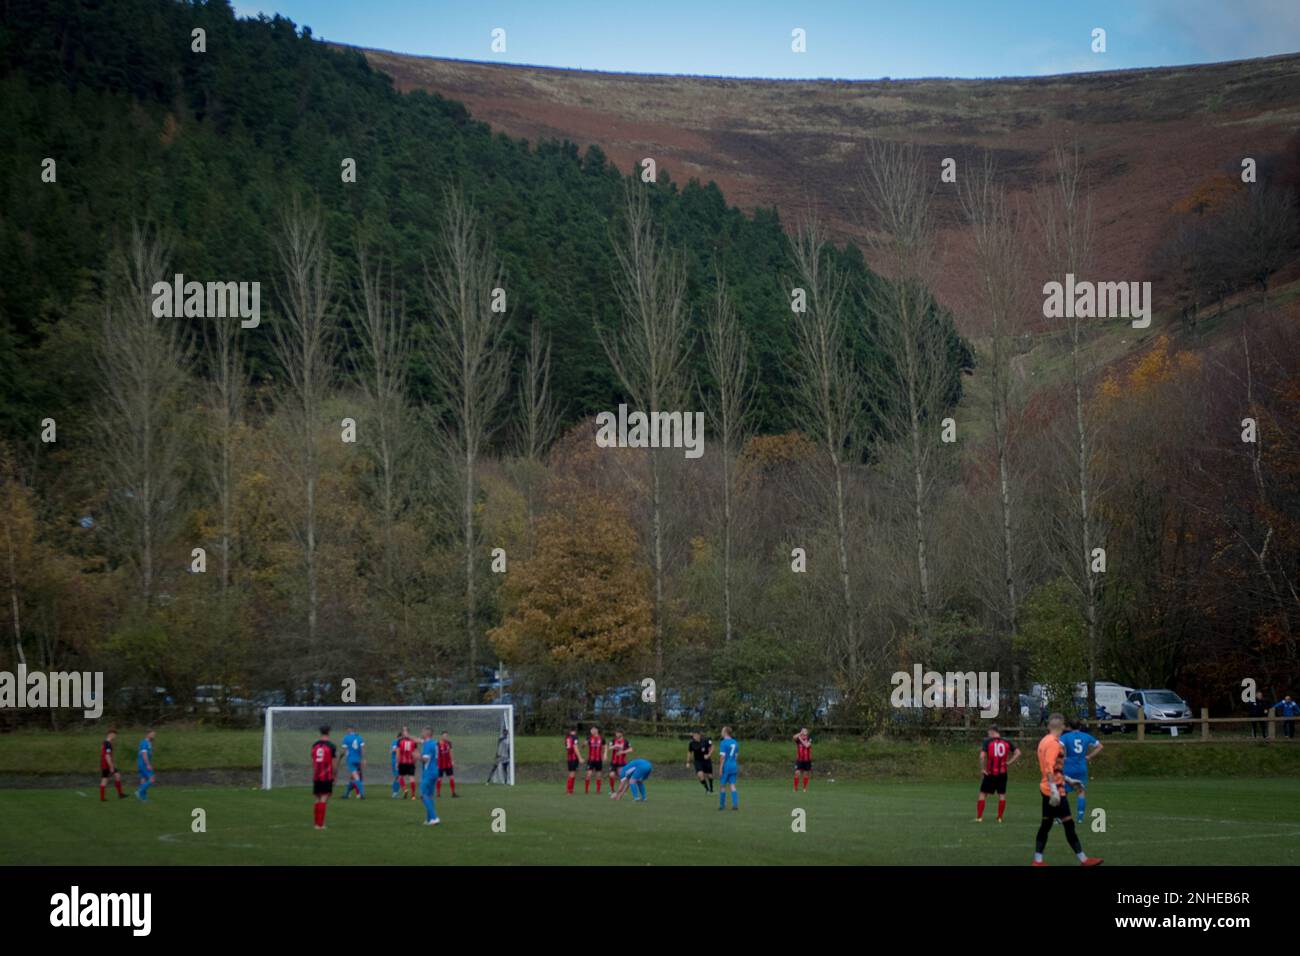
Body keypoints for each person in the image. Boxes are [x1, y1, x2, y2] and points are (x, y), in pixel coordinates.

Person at [1032, 714, 1102, 867]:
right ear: (1063, 727)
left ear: (1049, 726)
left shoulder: (1045, 740)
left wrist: (1069, 780)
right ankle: (1084, 860)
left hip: (1048, 788)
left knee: (1047, 825)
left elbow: (1053, 769)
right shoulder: (1054, 744)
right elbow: (1050, 768)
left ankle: (1038, 861)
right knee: (1068, 824)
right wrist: (1054, 790)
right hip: (1054, 791)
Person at [1060, 719, 1103, 824]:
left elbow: (1058, 747)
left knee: (1063, 792)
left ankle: (1061, 817)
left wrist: (1063, 757)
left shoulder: (1065, 737)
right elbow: (1100, 746)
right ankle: (1079, 817)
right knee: (1081, 791)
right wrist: (1089, 756)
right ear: (1080, 727)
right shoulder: (1086, 736)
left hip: (1068, 766)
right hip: (1081, 766)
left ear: (1069, 727)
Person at [975, 724, 1020, 823]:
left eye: (988, 733)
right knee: (1002, 795)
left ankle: (979, 817)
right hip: (1002, 773)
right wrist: (1009, 762)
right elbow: (1018, 752)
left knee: (982, 794)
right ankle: (999, 817)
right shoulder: (1007, 742)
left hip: (990, 773)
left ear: (992, 731)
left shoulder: (988, 742)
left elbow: (982, 757)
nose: (988, 735)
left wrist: (982, 769)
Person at [310, 725, 338, 830]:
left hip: (317, 775)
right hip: (326, 775)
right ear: (329, 732)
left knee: (317, 798)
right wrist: (335, 775)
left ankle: (316, 823)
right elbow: (334, 764)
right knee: (324, 798)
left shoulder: (315, 745)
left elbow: (313, 760)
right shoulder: (331, 746)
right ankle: (320, 824)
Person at [417, 727, 441, 826]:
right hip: (435, 771)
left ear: (427, 733)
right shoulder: (434, 743)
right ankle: (429, 819)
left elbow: (425, 760)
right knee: (430, 796)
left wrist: (417, 756)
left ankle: (434, 817)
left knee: (422, 795)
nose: (421, 732)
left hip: (428, 772)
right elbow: (418, 740)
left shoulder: (427, 745)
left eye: (422, 731)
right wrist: (407, 735)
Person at [99, 729, 126, 801]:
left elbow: (104, 753)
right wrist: (111, 766)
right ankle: (119, 794)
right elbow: (107, 756)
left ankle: (120, 794)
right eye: (114, 735)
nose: (115, 736)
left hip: (105, 764)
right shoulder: (108, 743)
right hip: (107, 764)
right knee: (105, 779)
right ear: (110, 734)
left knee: (116, 776)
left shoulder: (105, 742)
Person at [717, 727, 739, 811]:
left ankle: (722, 806)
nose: (721, 732)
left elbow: (723, 757)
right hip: (734, 765)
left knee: (722, 785)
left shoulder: (723, 743)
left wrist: (720, 768)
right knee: (732, 785)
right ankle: (735, 804)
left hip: (726, 766)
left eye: (722, 731)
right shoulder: (735, 742)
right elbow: (736, 756)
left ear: (725, 732)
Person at [340, 725, 365, 799]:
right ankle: (346, 794)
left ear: (350, 730)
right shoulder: (360, 737)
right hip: (358, 760)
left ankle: (362, 793)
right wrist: (363, 759)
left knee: (356, 777)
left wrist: (341, 756)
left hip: (350, 760)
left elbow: (344, 751)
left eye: (347, 730)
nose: (347, 731)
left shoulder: (346, 738)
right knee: (352, 778)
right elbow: (363, 749)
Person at [396, 728, 419, 799]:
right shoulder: (413, 741)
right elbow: (415, 753)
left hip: (402, 762)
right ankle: (413, 795)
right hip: (410, 762)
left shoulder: (399, 741)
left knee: (400, 777)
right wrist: (414, 761)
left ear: (403, 734)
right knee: (411, 778)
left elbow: (398, 753)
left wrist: (397, 762)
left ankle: (405, 789)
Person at [135, 729, 156, 801]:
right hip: (144, 764)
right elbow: (144, 754)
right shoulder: (144, 743)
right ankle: (139, 792)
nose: (153, 736)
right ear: (148, 734)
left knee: (143, 780)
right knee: (152, 779)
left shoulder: (148, 743)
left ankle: (144, 799)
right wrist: (148, 764)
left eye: (154, 734)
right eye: (152, 734)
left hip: (141, 763)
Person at [584, 725, 605, 795]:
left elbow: (605, 746)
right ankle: (586, 790)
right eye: (591, 730)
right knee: (588, 774)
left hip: (598, 760)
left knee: (598, 775)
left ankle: (598, 791)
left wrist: (605, 754)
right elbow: (583, 746)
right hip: (591, 760)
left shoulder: (601, 738)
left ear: (597, 730)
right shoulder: (589, 737)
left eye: (593, 729)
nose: (592, 731)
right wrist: (584, 744)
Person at [435, 731, 456, 798]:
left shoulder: (449, 743)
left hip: (448, 763)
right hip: (440, 764)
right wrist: (435, 762)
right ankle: (438, 793)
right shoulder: (437, 744)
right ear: (441, 736)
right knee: (439, 778)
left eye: (446, 736)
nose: (445, 737)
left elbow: (451, 752)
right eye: (444, 736)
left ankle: (453, 793)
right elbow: (436, 754)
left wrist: (452, 760)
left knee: (451, 777)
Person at [792, 728, 813, 792]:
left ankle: (804, 788)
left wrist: (800, 738)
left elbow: (806, 745)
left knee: (805, 774)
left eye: (805, 731)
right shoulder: (798, 738)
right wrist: (800, 733)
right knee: (797, 773)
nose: (804, 732)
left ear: (807, 732)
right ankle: (795, 788)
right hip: (799, 760)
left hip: (807, 760)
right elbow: (794, 737)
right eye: (803, 731)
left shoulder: (810, 738)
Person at [564, 726, 581, 794]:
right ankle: (569, 790)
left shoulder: (566, 738)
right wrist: (580, 758)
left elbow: (567, 748)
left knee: (571, 773)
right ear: (574, 731)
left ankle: (569, 789)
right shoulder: (575, 737)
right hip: (574, 758)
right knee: (572, 774)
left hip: (569, 758)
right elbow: (575, 747)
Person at [390, 729, 403, 797]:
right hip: (395, 761)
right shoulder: (395, 742)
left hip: (401, 762)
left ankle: (395, 792)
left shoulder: (401, 742)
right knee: (398, 777)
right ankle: (395, 793)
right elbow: (393, 750)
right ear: (399, 737)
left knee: (398, 777)